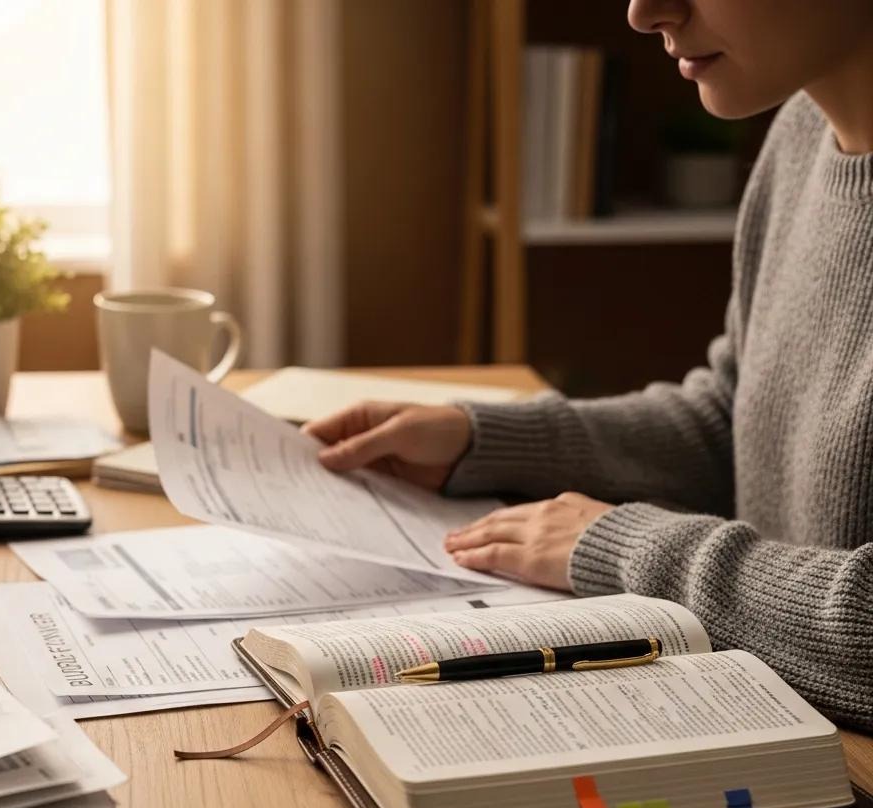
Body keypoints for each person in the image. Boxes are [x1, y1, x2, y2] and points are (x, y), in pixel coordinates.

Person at [304, 0, 873, 730]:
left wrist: (621, 548)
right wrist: (484, 441)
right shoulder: (799, 135)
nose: (644, 12)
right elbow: (732, 423)